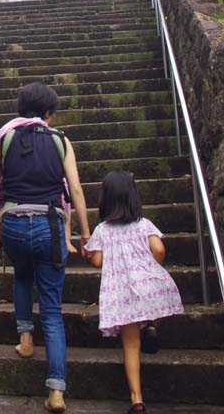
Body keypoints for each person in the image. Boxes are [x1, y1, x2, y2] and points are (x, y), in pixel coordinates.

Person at [0, 81, 90, 413]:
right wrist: (85, 233)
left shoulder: (8, 136)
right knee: (53, 310)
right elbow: (74, 187)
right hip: (50, 225)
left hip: (14, 222)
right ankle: (56, 390)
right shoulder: (60, 141)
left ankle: (26, 339)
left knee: (21, 277)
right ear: (48, 113)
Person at [84, 170, 184, 414]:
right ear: (133, 197)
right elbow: (159, 250)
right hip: (146, 285)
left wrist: (91, 253)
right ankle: (150, 325)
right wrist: (151, 264)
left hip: (121, 295)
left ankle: (136, 399)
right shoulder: (144, 224)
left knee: (130, 345)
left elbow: (97, 261)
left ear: (105, 199)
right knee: (154, 301)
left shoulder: (102, 230)